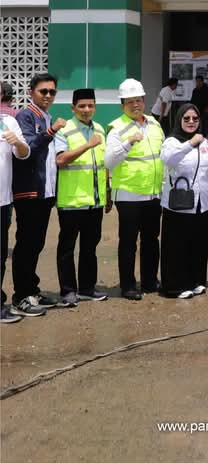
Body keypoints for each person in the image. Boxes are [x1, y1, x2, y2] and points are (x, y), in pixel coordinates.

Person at [11, 73, 66, 315]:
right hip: (29, 190)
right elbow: (28, 149)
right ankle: (20, 297)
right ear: (32, 91)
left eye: (52, 92)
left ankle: (31, 290)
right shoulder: (26, 115)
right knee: (26, 244)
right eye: (43, 91)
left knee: (36, 243)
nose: (48, 96)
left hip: (44, 192)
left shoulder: (45, 116)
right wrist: (52, 131)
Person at [105, 78, 164, 300]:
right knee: (129, 241)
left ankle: (150, 281)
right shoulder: (116, 128)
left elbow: (162, 156)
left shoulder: (154, 124)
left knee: (151, 239)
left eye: (138, 100)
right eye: (130, 102)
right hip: (129, 195)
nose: (136, 105)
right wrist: (128, 142)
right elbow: (109, 162)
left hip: (153, 192)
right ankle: (128, 285)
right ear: (122, 105)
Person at [54, 89, 110, 306]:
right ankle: (68, 291)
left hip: (94, 201)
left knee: (90, 247)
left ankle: (87, 288)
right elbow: (60, 160)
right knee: (67, 248)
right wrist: (87, 145)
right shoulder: (64, 130)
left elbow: (102, 164)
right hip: (71, 201)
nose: (87, 110)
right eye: (82, 106)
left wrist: (106, 193)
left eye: (91, 105)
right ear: (73, 108)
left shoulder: (99, 129)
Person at [159, 103, 208, 299]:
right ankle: (174, 286)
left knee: (197, 244)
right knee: (176, 245)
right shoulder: (172, 141)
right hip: (178, 203)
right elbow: (168, 159)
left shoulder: (205, 142)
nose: (191, 122)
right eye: (187, 118)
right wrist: (190, 144)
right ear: (179, 119)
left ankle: (195, 281)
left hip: (202, 202)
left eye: (195, 119)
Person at [1, 110, 29, 322]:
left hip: (3, 201)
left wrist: (17, 143)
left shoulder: (7, 122)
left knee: (0, 256)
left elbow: (24, 153)